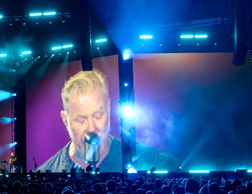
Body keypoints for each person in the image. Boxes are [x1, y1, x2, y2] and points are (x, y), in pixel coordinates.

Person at [37, 68, 177, 173]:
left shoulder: (153, 160)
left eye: (98, 115)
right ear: (65, 120)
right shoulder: (46, 173)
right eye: (81, 119)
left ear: (109, 108)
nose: (92, 128)